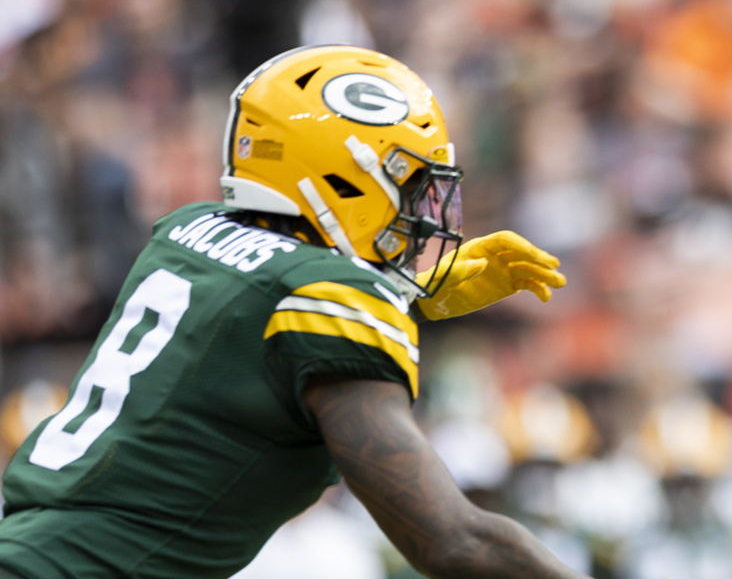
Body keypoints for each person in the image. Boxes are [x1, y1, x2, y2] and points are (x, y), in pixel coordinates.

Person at [0, 45, 585, 579]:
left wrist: (412, 293)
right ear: (347, 177)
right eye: (413, 189)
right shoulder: (331, 300)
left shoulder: (186, 232)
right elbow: (453, 540)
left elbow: (252, 312)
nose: (426, 217)